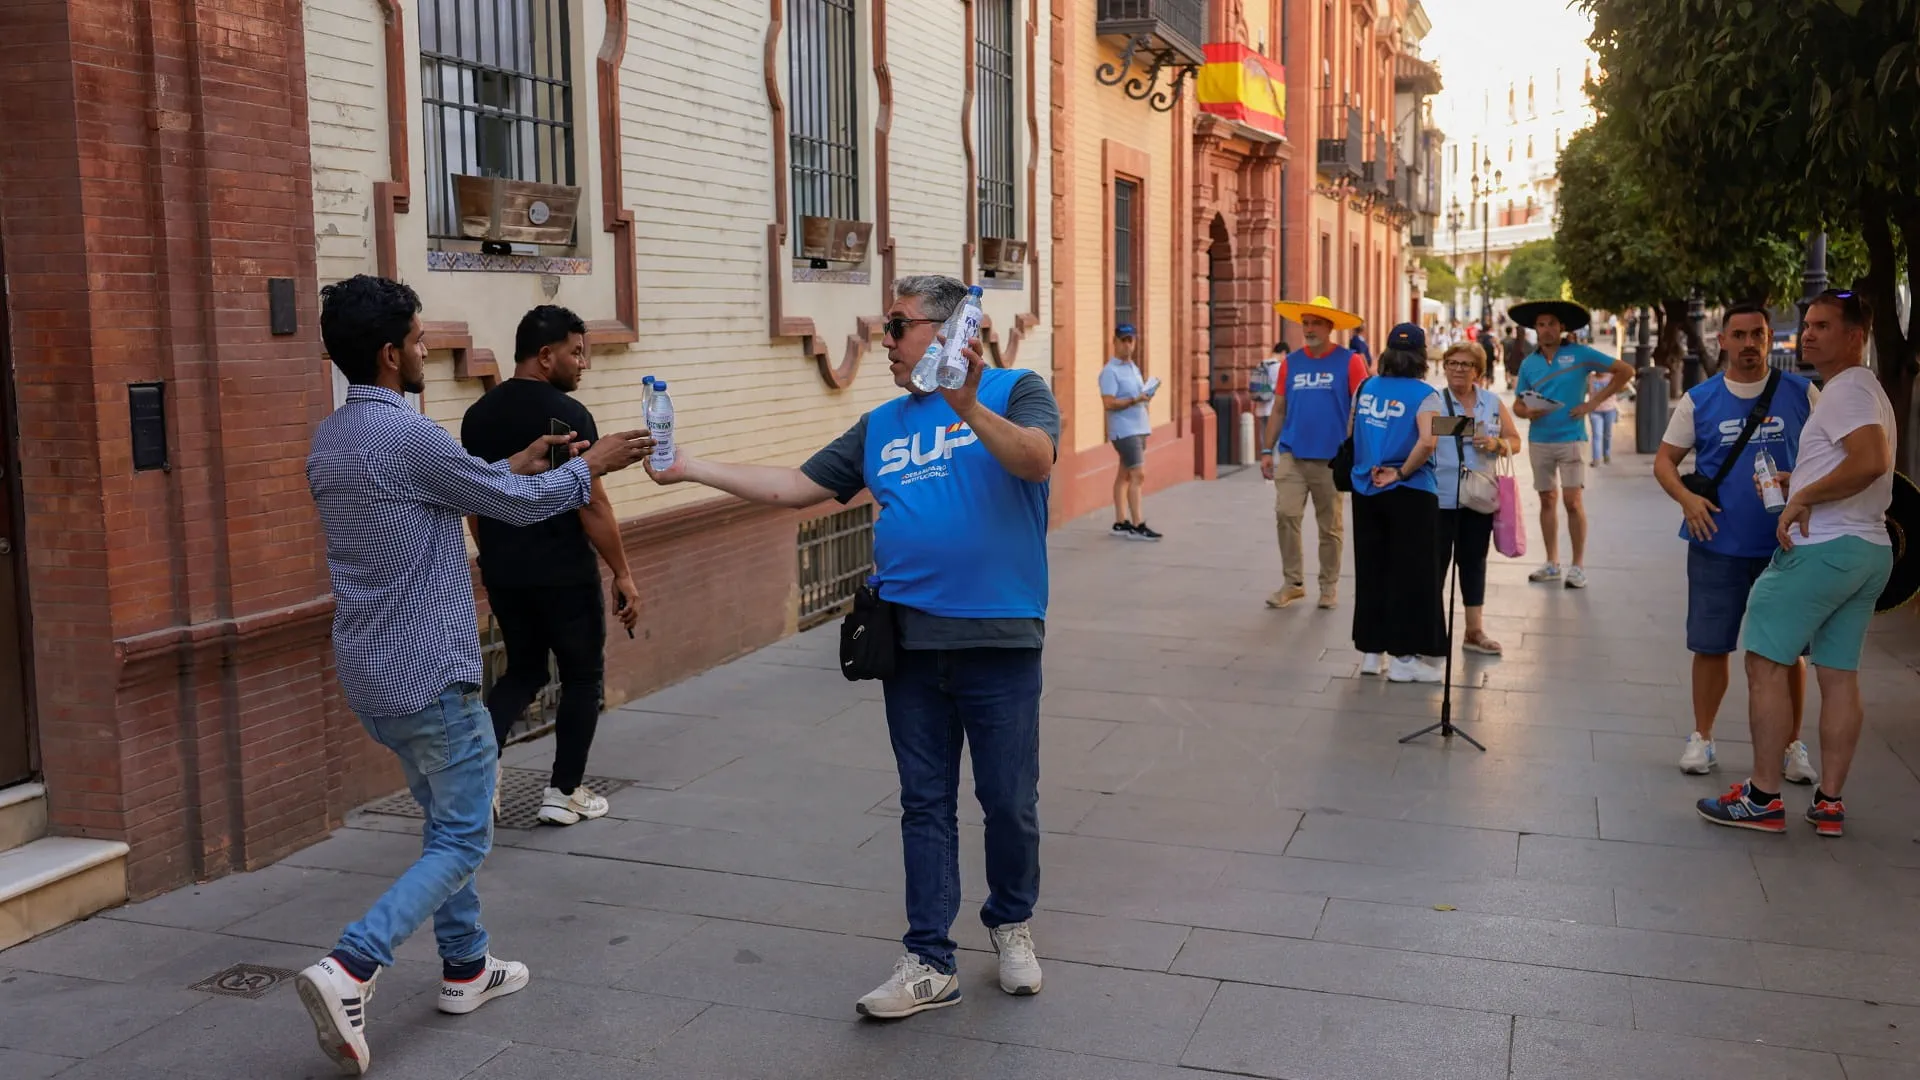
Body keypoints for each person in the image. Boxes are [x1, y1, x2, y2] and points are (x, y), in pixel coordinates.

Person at [644, 274, 1056, 1016]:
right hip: (911, 642)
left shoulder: (1018, 389)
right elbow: (795, 486)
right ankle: (930, 958)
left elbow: (1035, 460)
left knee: (1009, 802)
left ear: (947, 330)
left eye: (896, 327)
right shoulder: (882, 425)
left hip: (999, 636)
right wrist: (688, 469)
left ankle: (1012, 923)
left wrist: (966, 405)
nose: (884, 343)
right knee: (924, 802)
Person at [298, 275, 651, 1075]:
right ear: (391, 355)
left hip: (370, 669)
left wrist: (521, 462)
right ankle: (351, 966)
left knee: (442, 824)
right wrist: (592, 465)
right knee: (464, 835)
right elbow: (508, 505)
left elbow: (468, 485)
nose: (426, 352)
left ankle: (466, 967)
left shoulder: (334, 438)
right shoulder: (407, 435)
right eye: (421, 342)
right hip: (429, 671)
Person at [1698, 289, 1896, 837]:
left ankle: (1762, 798)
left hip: (1824, 548)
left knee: (1764, 661)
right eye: (1807, 324)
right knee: (1838, 676)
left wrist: (1804, 499)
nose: (1807, 334)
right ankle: (1829, 802)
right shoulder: (1866, 389)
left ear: (1855, 336)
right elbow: (1856, 464)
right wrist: (1802, 480)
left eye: (1823, 326)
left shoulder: (1844, 392)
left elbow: (1871, 460)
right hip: (1867, 549)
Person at [460, 305, 641, 827]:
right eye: (576, 352)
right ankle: (564, 792)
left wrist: (494, 554)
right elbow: (592, 503)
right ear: (545, 356)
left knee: (523, 670)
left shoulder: (478, 415)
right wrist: (622, 572)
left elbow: (476, 500)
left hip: (505, 570)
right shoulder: (568, 417)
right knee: (583, 676)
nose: (583, 363)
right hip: (564, 573)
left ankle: (481, 777)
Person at [1654, 303, 1818, 779]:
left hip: (1785, 548)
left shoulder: (1803, 394)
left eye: (1758, 335)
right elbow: (1665, 462)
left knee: (1790, 651)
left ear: (1769, 340)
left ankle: (1792, 746)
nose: (1749, 344)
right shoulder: (1699, 400)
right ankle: (1702, 738)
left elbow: (1834, 455)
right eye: (1739, 335)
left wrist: (1807, 492)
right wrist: (1687, 500)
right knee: (1710, 646)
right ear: (1721, 340)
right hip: (1715, 545)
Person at [1509, 299, 1637, 589]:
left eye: (1551, 324)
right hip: (1540, 439)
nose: (1546, 329)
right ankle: (1552, 562)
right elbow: (1518, 403)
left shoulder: (1580, 354)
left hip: (1572, 438)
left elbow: (1625, 371)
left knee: (1572, 500)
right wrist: (1527, 411)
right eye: (1541, 325)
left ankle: (1578, 565)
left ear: (1562, 327)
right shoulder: (1530, 363)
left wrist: (1593, 403)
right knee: (1546, 499)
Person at [1348, 323, 1446, 683]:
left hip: (1366, 489)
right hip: (1410, 492)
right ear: (1422, 356)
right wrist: (1401, 472)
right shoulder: (1426, 395)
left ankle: (1372, 653)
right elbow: (1428, 440)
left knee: (1372, 569)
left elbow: (1352, 431)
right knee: (1410, 574)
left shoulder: (1366, 387)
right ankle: (1405, 659)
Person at [1261, 296, 1370, 610]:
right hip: (1293, 455)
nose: (1308, 329)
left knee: (1330, 527)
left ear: (1329, 327)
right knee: (1286, 514)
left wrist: (1358, 451)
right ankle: (1293, 582)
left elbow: (1360, 407)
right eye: (1305, 323)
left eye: (1315, 323)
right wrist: (1267, 449)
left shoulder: (1350, 361)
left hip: (1331, 460)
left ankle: (1328, 586)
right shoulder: (1291, 363)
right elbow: (1279, 408)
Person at [1432, 342, 1522, 656]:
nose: (1458, 369)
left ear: (1478, 372)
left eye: (1466, 364)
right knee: (1435, 566)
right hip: (1440, 496)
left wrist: (1496, 442)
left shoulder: (1492, 402)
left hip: (1479, 496)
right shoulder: (1433, 399)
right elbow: (1427, 428)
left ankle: (1474, 631)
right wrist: (1470, 428)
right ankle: (1431, 633)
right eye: (1452, 363)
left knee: (1473, 563)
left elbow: (1515, 441)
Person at [1098, 324, 1161, 540]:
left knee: (1124, 475)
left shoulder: (1133, 368)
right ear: (1114, 342)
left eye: (1130, 340)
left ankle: (1120, 521)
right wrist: (1135, 400)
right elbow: (1108, 403)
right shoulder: (1110, 371)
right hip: (1125, 430)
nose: (1128, 345)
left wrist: (1145, 395)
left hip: (1140, 426)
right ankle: (1138, 524)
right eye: (1123, 340)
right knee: (1138, 475)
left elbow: (1136, 395)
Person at [1586, 367, 1619, 465]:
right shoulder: (1590, 378)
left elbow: (1624, 387)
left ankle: (1606, 454)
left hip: (1609, 409)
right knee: (1597, 435)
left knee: (1607, 434)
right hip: (1595, 411)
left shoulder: (1612, 377)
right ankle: (1596, 459)